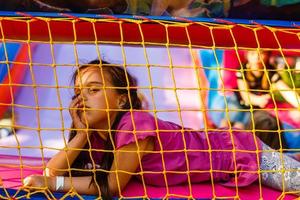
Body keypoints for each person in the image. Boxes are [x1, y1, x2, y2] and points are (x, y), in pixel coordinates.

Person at [22, 60, 300, 199]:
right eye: (78, 93)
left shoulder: (134, 124)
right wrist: (81, 134)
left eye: (93, 90)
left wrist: (51, 184)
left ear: (121, 99)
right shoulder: (95, 137)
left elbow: (111, 186)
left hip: (238, 152)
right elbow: (53, 172)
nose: (82, 99)